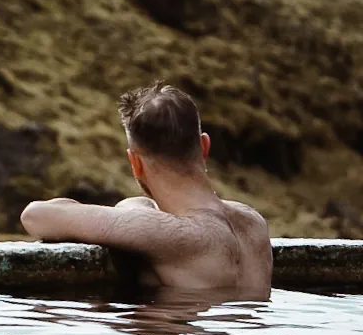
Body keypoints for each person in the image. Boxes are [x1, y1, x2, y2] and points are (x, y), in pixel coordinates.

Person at [20, 83, 272, 299]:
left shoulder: (168, 233)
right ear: (204, 146)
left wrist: (135, 207)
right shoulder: (254, 224)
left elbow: (34, 216)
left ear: (135, 163)